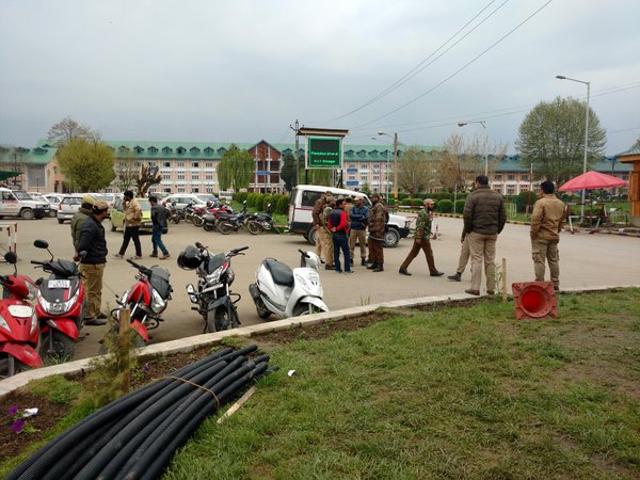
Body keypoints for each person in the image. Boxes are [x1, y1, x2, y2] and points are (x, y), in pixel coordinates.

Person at [462, 175, 506, 296]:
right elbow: (503, 216)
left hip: (476, 232)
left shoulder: (473, 196)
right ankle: (491, 288)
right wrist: (497, 229)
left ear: (477, 183)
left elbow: (467, 215)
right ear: (488, 183)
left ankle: (475, 288)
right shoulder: (498, 196)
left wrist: (468, 229)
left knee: (476, 259)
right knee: (490, 260)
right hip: (492, 233)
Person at [76, 201, 110, 325]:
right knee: (90, 290)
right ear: (103, 212)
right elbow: (83, 245)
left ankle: (96, 311)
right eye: (106, 211)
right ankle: (89, 316)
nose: (107, 213)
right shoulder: (90, 226)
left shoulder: (94, 223)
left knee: (96, 290)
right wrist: (84, 254)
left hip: (96, 262)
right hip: (92, 263)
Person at [530, 180, 566, 290]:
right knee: (554, 260)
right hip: (554, 235)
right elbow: (562, 220)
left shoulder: (541, 202)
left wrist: (533, 233)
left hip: (541, 236)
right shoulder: (560, 203)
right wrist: (557, 230)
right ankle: (555, 283)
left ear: (542, 190)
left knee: (539, 260)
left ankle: (540, 283)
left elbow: (536, 219)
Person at [399, 199, 443, 276]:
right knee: (429, 254)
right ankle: (433, 271)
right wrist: (419, 238)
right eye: (431, 204)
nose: (433, 205)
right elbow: (420, 226)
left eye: (433, 204)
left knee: (413, 253)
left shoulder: (427, 212)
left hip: (422, 236)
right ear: (426, 205)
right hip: (423, 237)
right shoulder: (423, 213)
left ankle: (403, 267)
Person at [328, 197, 352, 273]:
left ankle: (337, 268)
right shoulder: (342, 213)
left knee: (336, 252)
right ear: (340, 205)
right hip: (341, 234)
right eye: (344, 204)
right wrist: (337, 229)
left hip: (334, 235)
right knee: (346, 252)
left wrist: (332, 229)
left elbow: (329, 224)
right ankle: (347, 269)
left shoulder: (332, 212)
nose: (345, 205)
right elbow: (343, 224)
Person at [115, 190, 142, 259]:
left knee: (135, 239)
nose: (124, 197)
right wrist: (124, 203)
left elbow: (138, 209)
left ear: (128, 196)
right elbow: (125, 210)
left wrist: (134, 217)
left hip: (133, 224)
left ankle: (139, 254)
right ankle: (121, 253)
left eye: (125, 196)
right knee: (126, 239)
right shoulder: (129, 202)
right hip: (128, 224)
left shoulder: (134, 202)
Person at [367, 193, 386, 272]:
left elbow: (378, 220)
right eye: (371, 198)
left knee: (378, 249)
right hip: (373, 231)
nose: (371, 199)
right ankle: (375, 263)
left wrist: (374, 229)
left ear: (377, 198)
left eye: (373, 198)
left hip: (377, 231)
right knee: (372, 248)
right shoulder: (374, 206)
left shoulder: (379, 206)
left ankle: (380, 265)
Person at [349, 196, 369, 266]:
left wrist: (356, 217)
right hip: (353, 228)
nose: (356, 202)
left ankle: (363, 259)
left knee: (362, 245)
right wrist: (361, 216)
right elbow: (351, 215)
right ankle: (350, 259)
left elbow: (366, 217)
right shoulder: (353, 208)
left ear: (361, 201)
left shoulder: (366, 209)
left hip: (361, 229)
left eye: (357, 200)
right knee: (351, 245)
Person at [320, 196, 335, 270]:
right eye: (333, 201)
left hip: (325, 229)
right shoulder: (328, 209)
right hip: (328, 231)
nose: (334, 202)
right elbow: (329, 220)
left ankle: (329, 263)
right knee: (329, 248)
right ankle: (329, 264)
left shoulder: (325, 208)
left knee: (328, 247)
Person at [311, 193, 327, 260]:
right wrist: (317, 223)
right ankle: (323, 258)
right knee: (323, 241)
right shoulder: (320, 202)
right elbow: (314, 212)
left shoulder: (320, 202)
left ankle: (317, 257)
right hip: (320, 225)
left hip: (319, 224)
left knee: (319, 242)